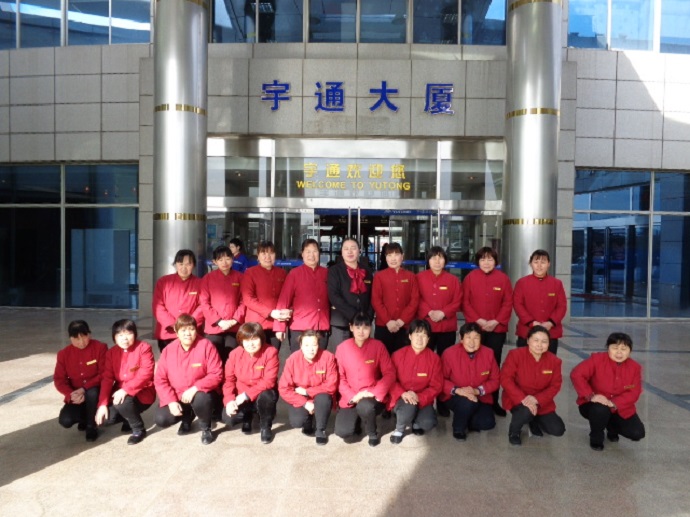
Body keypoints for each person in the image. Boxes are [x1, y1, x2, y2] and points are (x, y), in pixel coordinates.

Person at [154, 314, 223, 445]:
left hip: (201, 393)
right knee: (162, 419)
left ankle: (206, 428)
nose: (187, 334)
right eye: (183, 330)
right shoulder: (168, 350)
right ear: (176, 331)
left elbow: (216, 373)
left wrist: (195, 388)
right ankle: (187, 416)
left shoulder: (206, 345)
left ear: (196, 330)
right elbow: (160, 379)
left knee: (202, 399)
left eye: (191, 329)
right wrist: (170, 401)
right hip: (178, 394)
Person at [571, 332, 645, 451]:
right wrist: (591, 395)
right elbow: (577, 374)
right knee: (600, 410)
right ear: (608, 348)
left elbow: (634, 392)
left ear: (630, 351)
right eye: (615, 348)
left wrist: (614, 403)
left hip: (619, 408)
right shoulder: (597, 359)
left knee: (637, 433)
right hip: (593, 405)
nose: (619, 353)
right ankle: (596, 437)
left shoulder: (634, 367)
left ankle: (612, 428)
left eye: (624, 349)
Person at [462, 246, 513, 416]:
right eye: (483, 259)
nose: (486, 262)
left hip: (496, 329)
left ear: (495, 261)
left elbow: (508, 302)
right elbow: (465, 302)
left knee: (493, 365)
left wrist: (496, 321)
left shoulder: (503, 279)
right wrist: (478, 321)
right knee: (473, 363)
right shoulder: (470, 278)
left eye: (490, 259)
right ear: (478, 261)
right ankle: (472, 399)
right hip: (475, 330)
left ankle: (492, 401)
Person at [334, 313, 395, 447]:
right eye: (357, 327)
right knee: (343, 431)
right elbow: (339, 377)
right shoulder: (342, 348)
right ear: (351, 328)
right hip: (351, 396)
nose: (361, 331)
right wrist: (352, 396)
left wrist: (374, 392)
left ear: (370, 329)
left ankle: (372, 432)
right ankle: (356, 421)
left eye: (366, 327)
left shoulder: (378, 346)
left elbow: (389, 373)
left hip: (370, 395)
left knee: (365, 407)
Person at [500, 325, 565, 446]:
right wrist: (523, 399)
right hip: (517, 399)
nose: (540, 345)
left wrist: (537, 399)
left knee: (557, 429)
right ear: (528, 340)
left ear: (549, 344)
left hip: (541, 402)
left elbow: (555, 386)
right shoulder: (515, 355)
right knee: (525, 411)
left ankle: (533, 420)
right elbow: (505, 379)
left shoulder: (555, 361)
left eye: (544, 341)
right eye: (536, 340)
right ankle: (514, 431)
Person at [95, 319, 155, 445]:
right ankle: (128, 417)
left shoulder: (144, 348)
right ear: (114, 337)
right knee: (106, 419)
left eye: (128, 334)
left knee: (122, 402)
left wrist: (126, 390)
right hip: (120, 393)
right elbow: (107, 379)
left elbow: (146, 373)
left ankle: (138, 429)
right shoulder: (111, 353)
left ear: (135, 334)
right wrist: (102, 404)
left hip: (142, 391)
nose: (124, 339)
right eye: (120, 335)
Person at [440, 322, 499, 442]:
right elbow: (440, 379)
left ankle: (465, 417)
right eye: (468, 337)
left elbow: (495, 380)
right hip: (455, 395)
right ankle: (458, 428)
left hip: (480, 396)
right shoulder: (449, 353)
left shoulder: (488, 353)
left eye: (476, 338)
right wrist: (459, 390)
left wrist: (476, 391)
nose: (472, 342)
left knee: (488, 423)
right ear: (461, 338)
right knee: (466, 403)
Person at [222, 322, 280, 444]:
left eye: (254, 339)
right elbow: (229, 380)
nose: (251, 344)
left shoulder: (271, 352)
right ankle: (247, 417)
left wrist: (246, 395)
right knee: (228, 418)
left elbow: (269, 381)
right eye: (247, 340)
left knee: (267, 396)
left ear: (261, 338)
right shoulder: (234, 354)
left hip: (262, 393)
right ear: (241, 341)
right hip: (241, 394)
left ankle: (265, 426)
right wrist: (229, 400)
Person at [388, 320, 443, 444]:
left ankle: (416, 423)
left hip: (423, 399)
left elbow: (436, 386)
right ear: (410, 336)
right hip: (402, 397)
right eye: (417, 334)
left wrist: (419, 397)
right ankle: (399, 429)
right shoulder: (397, 355)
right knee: (408, 408)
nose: (419, 339)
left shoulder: (434, 359)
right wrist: (403, 393)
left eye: (424, 335)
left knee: (428, 423)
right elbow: (390, 380)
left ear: (428, 339)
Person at [279, 330, 338, 445]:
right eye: (306, 345)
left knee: (324, 398)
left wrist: (307, 391)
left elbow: (331, 385)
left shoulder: (328, 357)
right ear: (301, 346)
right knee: (297, 421)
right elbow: (283, 388)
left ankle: (321, 429)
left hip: (319, 396)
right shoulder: (292, 360)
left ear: (318, 345)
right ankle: (307, 421)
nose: (311, 349)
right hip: (301, 398)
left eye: (314, 345)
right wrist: (305, 403)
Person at [53, 320, 108, 442]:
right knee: (65, 420)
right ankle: (85, 419)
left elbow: (104, 373)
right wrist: (70, 394)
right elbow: (59, 379)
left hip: (95, 392)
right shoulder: (63, 354)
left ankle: (91, 426)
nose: (81, 342)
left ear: (89, 334)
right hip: (76, 394)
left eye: (84, 337)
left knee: (92, 392)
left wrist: (85, 388)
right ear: (70, 338)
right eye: (76, 339)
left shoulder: (100, 348)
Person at [274, 238, 330, 352]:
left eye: (314, 251)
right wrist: (280, 327)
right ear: (302, 254)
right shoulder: (294, 274)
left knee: (320, 360)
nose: (311, 255)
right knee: (298, 361)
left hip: (321, 327)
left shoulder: (326, 273)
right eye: (308, 251)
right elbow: (284, 300)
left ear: (319, 253)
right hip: (300, 327)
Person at [513, 249, 567, 355]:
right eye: (536, 262)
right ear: (531, 264)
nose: (539, 266)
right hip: (526, 331)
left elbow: (562, 306)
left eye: (543, 262)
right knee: (524, 362)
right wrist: (531, 322)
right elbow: (518, 305)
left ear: (548, 264)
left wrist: (550, 323)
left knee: (549, 362)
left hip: (550, 331)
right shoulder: (522, 283)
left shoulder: (557, 284)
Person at [371, 242, 420, 356]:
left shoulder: (411, 276)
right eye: (389, 255)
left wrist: (402, 320)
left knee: (403, 357)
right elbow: (376, 300)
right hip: (384, 325)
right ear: (385, 257)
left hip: (405, 325)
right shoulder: (379, 276)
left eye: (396, 254)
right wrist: (388, 321)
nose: (393, 258)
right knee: (383, 357)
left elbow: (414, 300)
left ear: (402, 256)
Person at [199, 245, 245, 363]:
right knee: (214, 360)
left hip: (234, 327)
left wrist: (234, 320)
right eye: (220, 259)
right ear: (214, 262)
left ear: (232, 259)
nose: (224, 262)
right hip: (214, 328)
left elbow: (244, 301)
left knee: (232, 360)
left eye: (227, 258)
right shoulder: (207, 278)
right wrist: (219, 321)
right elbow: (204, 303)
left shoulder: (240, 277)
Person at [152, 249, 204, 353]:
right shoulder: (163, 282)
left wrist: (188, 325)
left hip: (190, 333)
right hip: (168, 333)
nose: (184, 268)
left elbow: (203, 306)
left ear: (193, 265)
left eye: (188, 264)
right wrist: (174, 324)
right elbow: (158, 306)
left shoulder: (201, 283)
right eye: (180, 264)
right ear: (175, 264)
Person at [241, 240, 290, 349]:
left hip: (275, 324)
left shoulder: (282, 273)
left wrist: (281, 326)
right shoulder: (250, 273)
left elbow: (286, 299)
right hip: (255, 324)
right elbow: (248, 299)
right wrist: (270, 312)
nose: (267, 256)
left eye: (271, 253)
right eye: (263, 253)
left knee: (273, 354)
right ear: (258, 256)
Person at [327, 238, 374, 348]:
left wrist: (368, 317)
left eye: (353, 248)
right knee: (342, 354)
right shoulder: (334, 271)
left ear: (359, 251)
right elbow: (334, 296)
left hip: (363, 323)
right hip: (341, 322)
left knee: (362, 354)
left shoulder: (367, 270)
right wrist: (354, 316)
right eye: (346, 249)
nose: (350, 252)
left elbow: (373, 296)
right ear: (342, 252)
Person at [417, 246, 462, 357]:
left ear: (445, 260)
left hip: (447, 327)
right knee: (424, 358)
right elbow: (415, 298)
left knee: (446, 358)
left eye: (440, 258)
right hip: (424, 326)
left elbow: (458, 300)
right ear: (428, 260)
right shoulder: (418, 278)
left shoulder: (453, 280)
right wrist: (429, 312)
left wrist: (443, 312)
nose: (437, 261)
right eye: (433, 258)